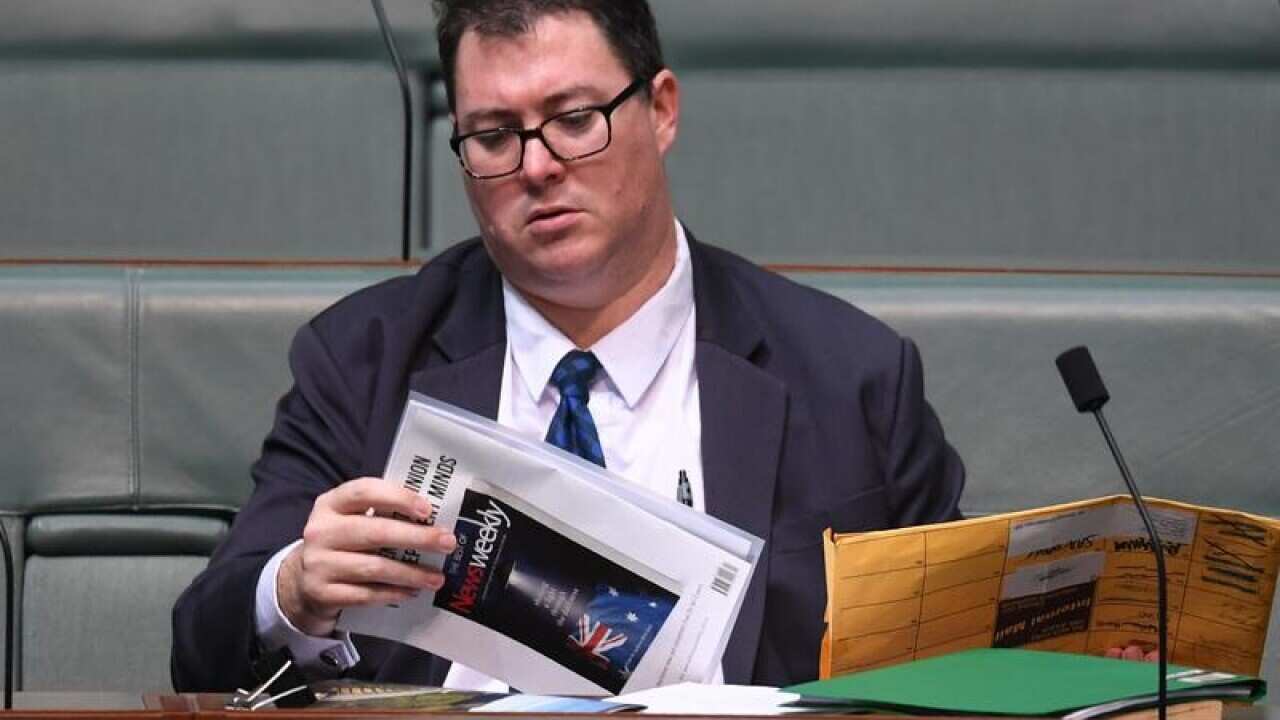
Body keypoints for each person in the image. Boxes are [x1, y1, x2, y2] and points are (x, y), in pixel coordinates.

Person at [170, 0, 964, 693]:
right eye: (493, 136)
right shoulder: (363, 359)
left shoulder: (850, 374)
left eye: (575, 119)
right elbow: (203, 643)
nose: (538, 167)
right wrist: (296, 590)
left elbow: (959, 653)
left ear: (660, 110)